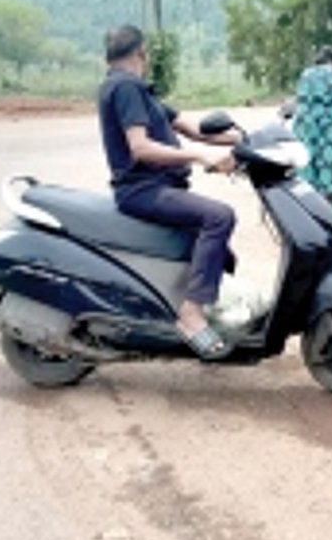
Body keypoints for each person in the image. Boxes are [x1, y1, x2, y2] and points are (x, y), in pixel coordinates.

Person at [97, 25, 238, 359]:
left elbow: (191, 128)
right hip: (143, 189)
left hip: (157, 186)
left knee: (223, 254)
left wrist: (245, 141)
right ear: (142, 53)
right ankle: (190, 315)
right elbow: (140, 148)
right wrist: (200, 157)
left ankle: (195, 303)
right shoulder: (125, 87)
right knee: (219, 217)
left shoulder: (136, 89)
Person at [294, 46, 332, 203]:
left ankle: (305, 205)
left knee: (306, 163)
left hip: (305, 126)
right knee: (329, 166)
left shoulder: (306, 74)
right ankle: (327, 205)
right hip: (330, 127)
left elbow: (299, 100)